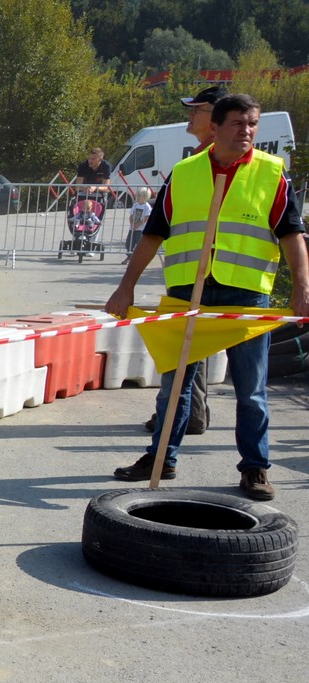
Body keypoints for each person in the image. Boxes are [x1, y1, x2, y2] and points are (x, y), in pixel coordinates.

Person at [105, 94, 308, 501]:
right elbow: (153, 234)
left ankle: (255, 467)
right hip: (187, 292)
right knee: (175, 385)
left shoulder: (272, 173)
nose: (247, 131)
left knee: (251, 390)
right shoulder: (184, 173)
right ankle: (161, 457)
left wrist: (303, 289)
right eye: (237, 123)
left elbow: (291, 235)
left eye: (252, 123)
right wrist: (126, 286)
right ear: (215, 128)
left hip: (246, 296)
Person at [143, 85, 225, 435]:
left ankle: (180, 416)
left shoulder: (215, 160)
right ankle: (189, 414)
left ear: (217, 116)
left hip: (210, 273)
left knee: (187, 347)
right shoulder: (199, 158)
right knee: (193, 346)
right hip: (193, 271)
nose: (190, 115)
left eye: (197, 109)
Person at [124, 186, 152, 257]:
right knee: (129, 242)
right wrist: (132, 224)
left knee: (139, 242)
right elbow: (131, 215)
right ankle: (129, 255)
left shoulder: (147, 207)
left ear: (144, 197)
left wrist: (137, 225)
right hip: (132, 228)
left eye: (139, 195)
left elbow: (146, 218)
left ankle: (140, 255)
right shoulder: (135, 205)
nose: (137, 196)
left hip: (140, 229)